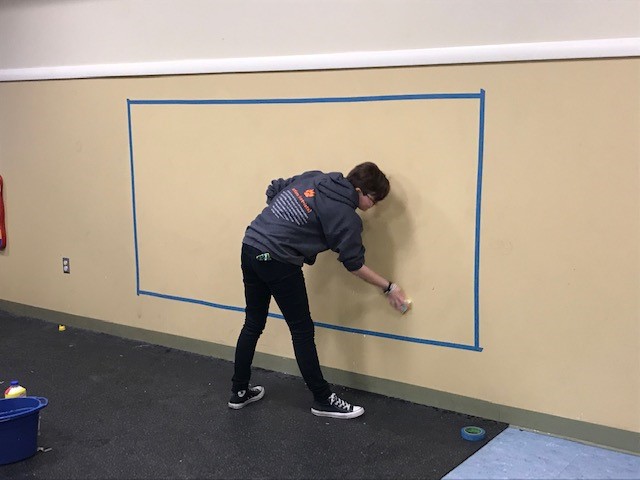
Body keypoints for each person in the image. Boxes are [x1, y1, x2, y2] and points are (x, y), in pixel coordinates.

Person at [228, 162, 408, 419]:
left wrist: (284, 223)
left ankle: (239, 391)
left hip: (251, 244)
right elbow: (354, 264)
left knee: (253, 322)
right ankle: (323, 400)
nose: (373, 206)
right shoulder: (346, 217)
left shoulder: (316, 178)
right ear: (359, 190)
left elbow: (274, 188)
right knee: (302, 331)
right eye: (373, 199)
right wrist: (389, 287)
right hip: (278, 259)